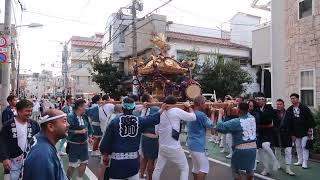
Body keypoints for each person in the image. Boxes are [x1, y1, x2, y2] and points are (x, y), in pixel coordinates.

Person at [99, 97, 165, 180]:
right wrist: (161, 109)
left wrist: (105, 155)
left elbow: (107, 140)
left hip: (117, 162)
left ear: (122, 108)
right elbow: (152, 119)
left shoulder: (115, 122)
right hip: (132, 162)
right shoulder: (139, 121)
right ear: (133, 108)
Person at [152, 96, 196, 180]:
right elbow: (193, 117)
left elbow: (156, 131)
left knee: (158, 169)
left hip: (162, 146)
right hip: (174, 147)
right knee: (184, 169)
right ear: (174, 104)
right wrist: (189, 106)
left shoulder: (159, 112)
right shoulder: (176, 110)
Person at [21, 109, 69, 180]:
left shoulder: (40, 139)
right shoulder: (42, 154)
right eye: (64, 121)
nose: (68, 124)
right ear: (51, 127)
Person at [0, 99, 40, 180]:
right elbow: (2, 143)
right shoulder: (8, 125)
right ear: (18, 111)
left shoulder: (34, 124)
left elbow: (38, 140)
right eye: (27, 111)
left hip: (29, 159)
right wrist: (5, 158)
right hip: (13, 160)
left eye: (31, 111)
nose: (29, 113)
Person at [216, 103, 257, 180]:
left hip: (240, 149)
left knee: (235, 169)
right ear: (248, 109)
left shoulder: (235, 122)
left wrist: (220, 114)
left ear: (238, 110)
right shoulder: (252, 118)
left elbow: (219, 127)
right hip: (253, 148)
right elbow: (245, 111)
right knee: (250, 168)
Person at [187, 96, 214, 180]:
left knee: (196, 167)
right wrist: (212, 114)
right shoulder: (200, 114)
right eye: (205, 103)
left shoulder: (191, 112)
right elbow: (211, 125)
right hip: (198, 144)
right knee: (204, 168)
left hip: (191, 143)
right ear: (201, 104)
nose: (206, 104)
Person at [286, 93, 315, 169]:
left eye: (294, 98)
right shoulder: (289, 109)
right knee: (298, 146)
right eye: (291, 98)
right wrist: (291, 133)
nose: (292, 100)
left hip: (305, 131)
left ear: (298, 99)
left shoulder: (304, 108)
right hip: (296, 132)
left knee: (304, 146)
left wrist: (310, 130)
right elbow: (289, 122)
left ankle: (305, 162)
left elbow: (310, 119)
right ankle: (300, 160)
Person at [66, 99, 93, 180]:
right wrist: (78, 131)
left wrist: (90, 137)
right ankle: (68, 178)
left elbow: (89, 127)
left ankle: (80, 178)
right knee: (72, 165)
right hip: (74, 145)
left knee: (84, 162)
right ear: (79, 107)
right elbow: (66, 130)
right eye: (85, 106)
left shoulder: (85, 116)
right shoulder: (70, 117)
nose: (86, 108)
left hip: (84, 145)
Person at [256, 94, 280, 175]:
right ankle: (266, 169)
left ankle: (275, 161)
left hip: (268, 131)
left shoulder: (269, 108)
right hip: (259, 131)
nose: (258, 101)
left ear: (264, 100)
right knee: (262, 152)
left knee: (265, 146)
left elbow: (271, 118)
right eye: (257, 100)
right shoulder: (257, 109)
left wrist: (273, 126)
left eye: (260, 99)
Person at [139, 94, 160, 180]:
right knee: (151, 160)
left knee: (144, 158)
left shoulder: (143, 109)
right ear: (148, 100)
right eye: (152, 98)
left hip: (144, 136)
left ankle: (141, 175)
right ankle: (150, 178)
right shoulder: (155, 108)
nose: (153, 99)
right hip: (152, 137)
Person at [273, 99, 295, 175]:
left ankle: (288, 168)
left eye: (280, 104)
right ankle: (278, 163)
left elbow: (293, 125)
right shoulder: (273, 113)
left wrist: (293, 135)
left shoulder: (289, 114)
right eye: (277, 104)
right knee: (277, 151)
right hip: (277, 135)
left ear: (283, 105)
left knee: (288, 151)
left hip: (287, 135)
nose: (279, 105)